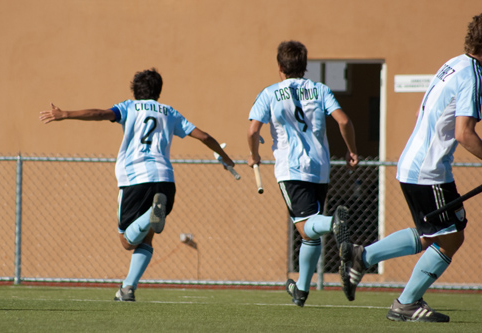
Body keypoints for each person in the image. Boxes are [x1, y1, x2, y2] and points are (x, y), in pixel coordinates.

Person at [40, 68, 235, 302]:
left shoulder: (129, 107)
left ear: (135, 90)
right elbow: (203, 136)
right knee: (147, 237)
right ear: (159, 91)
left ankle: (152, 215)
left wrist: (65, 114)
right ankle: (127, 289)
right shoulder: (170, 113)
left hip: (135, 179)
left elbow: (100, 113)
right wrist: (224, 156)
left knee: (126, 240)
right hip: (165, 179)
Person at [339, 13, 482, 323]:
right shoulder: (473, 74)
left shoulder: (455, 63)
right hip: (429, 172)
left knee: (433, 235)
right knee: (451, 237)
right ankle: (406, 303)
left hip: (414, 165)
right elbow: (464, 133)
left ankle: (362, 256)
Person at [247, 40, 359, 307]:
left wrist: (253, 154)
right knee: (310, 232)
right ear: (305, 66)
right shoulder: (320, 90)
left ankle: (333, 222)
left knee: (305, 225)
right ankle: (301, 290)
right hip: (320, 167)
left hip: (291, 167)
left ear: (280, 68)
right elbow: (343, 120)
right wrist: (351, 150)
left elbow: (253, 131)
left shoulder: (270, 93)